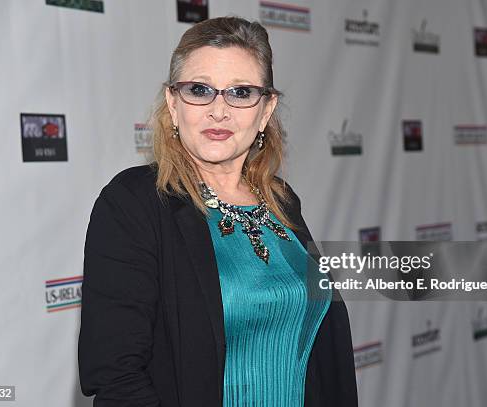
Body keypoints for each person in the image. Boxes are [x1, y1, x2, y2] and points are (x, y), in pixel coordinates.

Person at [78, 16, 358, 407]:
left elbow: (321, 354)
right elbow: (117, 375)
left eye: (241, 93)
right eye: (199, 90)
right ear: (173, 104)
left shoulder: (281, 200)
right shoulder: (133, 203)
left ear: (265, 109)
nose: (219, 111)